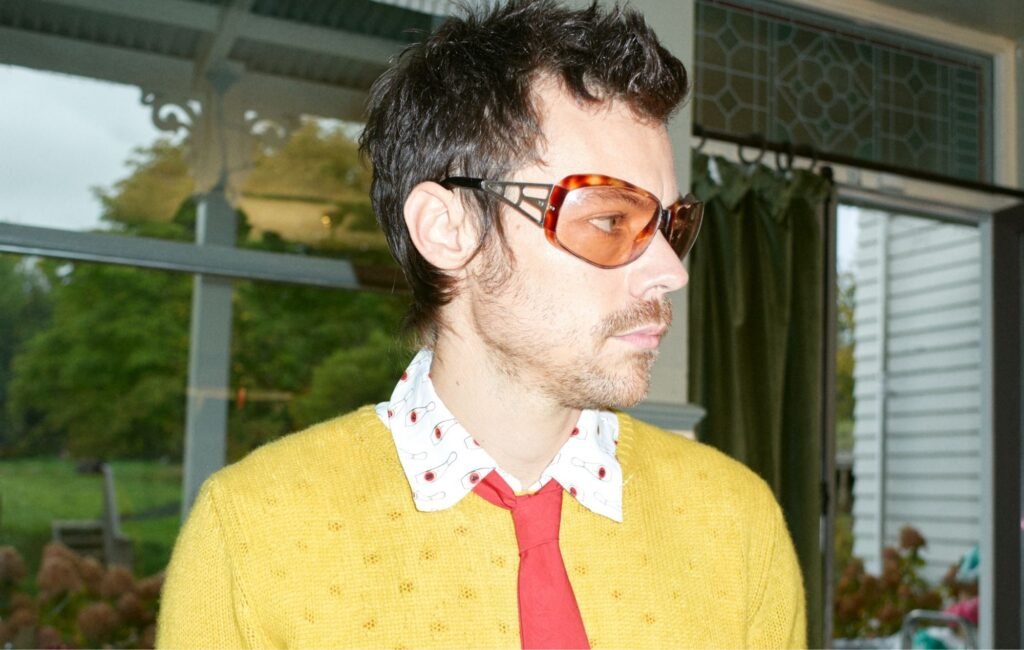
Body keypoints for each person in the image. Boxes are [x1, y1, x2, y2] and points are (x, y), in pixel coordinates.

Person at [156, 1, 806, 648]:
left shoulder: (737, 522)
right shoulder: (252, 531)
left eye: (672, 226)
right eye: (610, 220)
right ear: (448, 229)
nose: (670, 271)